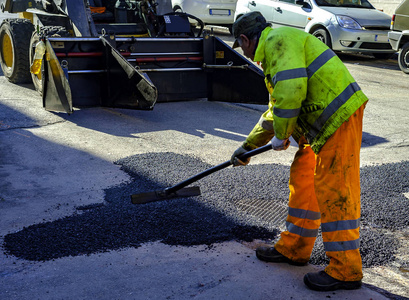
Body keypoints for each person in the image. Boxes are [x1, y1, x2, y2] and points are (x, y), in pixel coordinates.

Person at [230, 12, 368, 292]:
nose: (244, 52)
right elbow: (276, 111)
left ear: (245, 39)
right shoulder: (275, 52)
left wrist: (282, 135)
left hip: (337, 117)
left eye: (240, 45)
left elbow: (292, 92)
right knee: (303, 178)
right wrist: (247, 147)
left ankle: (345, 269)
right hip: (317, 126)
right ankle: (294, 247)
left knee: (335, 188)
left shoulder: (278, 42)